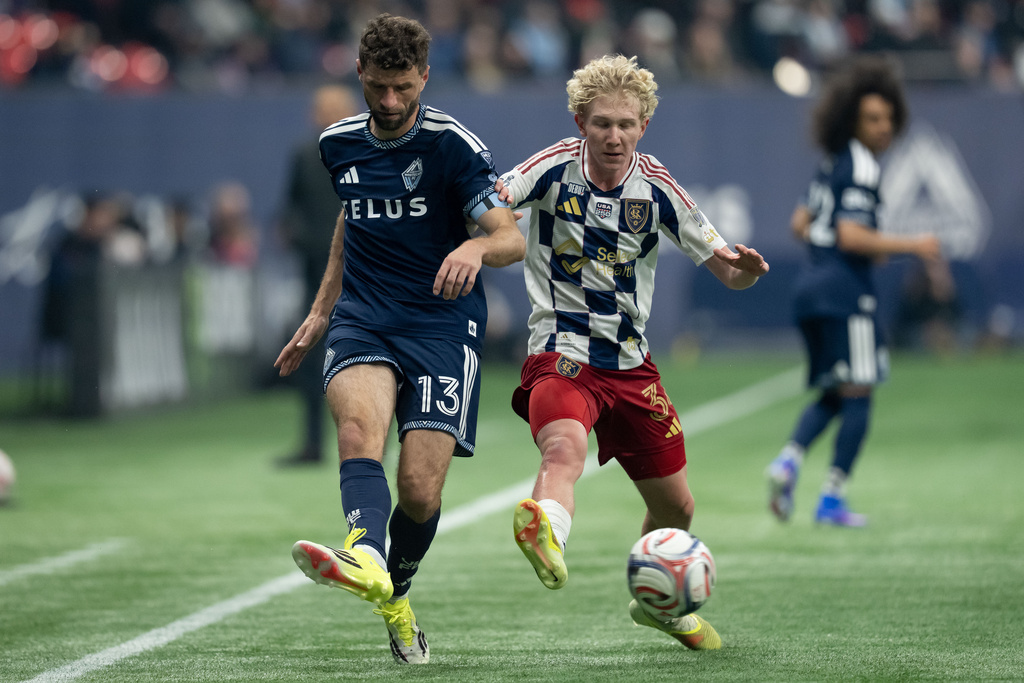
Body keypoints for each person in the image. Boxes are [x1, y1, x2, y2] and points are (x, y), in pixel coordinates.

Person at [274, 13, 525, 665]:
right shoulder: (337, 144)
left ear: (425, 78)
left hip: (442, 322)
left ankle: (396, 593)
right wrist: (322, 309)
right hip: (364, 314)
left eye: (403, 88)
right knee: (359, 430)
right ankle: (364, 552)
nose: (389, 101)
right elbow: (351, 219)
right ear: (359, 72)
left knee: (418, 489)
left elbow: (511, 237)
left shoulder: (452, 146)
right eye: (378, 86)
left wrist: (476, 246)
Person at [495, 54, 769, 650]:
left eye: (625, 124)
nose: (613, 136)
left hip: (631, 367)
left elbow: (728, 272)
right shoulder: (549, 169)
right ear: (580, 122)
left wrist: (746, 270)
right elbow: (490, 207)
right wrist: (484, 233)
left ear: (643, 125)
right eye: (601, 123)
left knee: (678, 508)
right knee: (563, 447)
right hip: (561, 353)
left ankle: (658, 606)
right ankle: (548, 532)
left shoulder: (660, 189)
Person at [765, 56, 943, 527]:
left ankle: (788, 460)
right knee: (860, 393)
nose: (883, 127)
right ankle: (831, 499)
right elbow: (850, 236)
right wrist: (912, 244)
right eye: (872, 119)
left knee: (837, 391)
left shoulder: (832, 163)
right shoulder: (862, 165)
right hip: (846, 294)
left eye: (888, 118)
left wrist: (844, 247)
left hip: (811, 289)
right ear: (852, 121)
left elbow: (800, 224)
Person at [275, 84, 358, 467]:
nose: (329, 116)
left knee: (366, 356)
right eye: (325, 110)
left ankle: (367, 442)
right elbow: (290, 207)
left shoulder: (367, 154)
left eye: (336, 109)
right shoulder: (305, 156)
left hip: (361, 271)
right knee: (311, 355)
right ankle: (314, 443)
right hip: (319, 274)